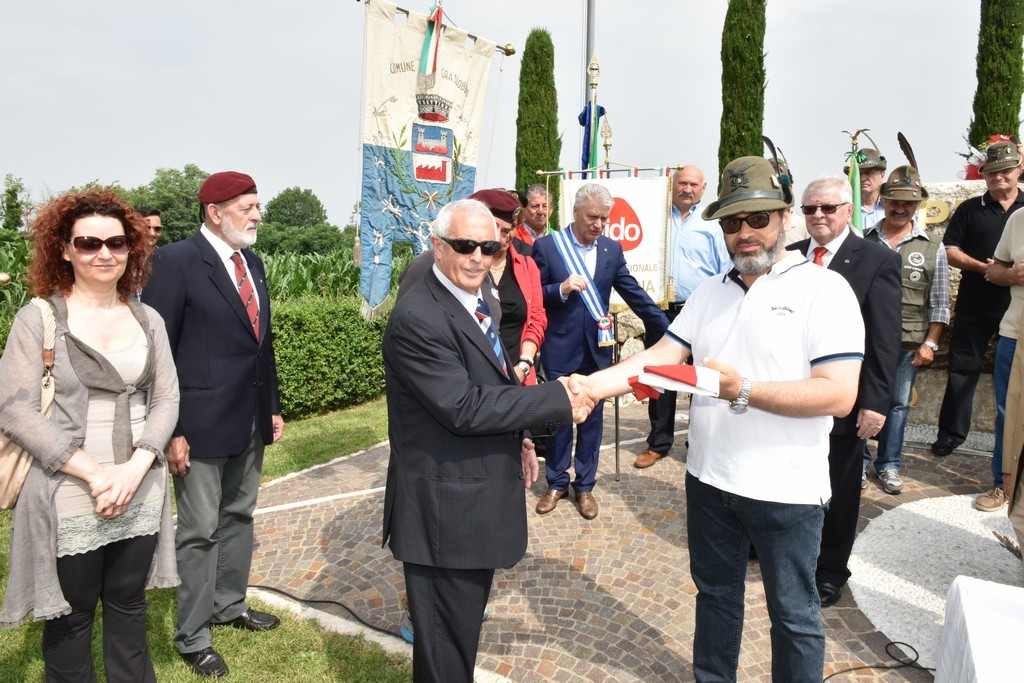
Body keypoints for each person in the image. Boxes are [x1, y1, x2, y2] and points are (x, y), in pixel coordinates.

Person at [578, 157, 864, 681]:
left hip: (787, 491)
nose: (744, 233)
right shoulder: (711, 291)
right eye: (732, 222)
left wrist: (744, 391)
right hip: (709, 481)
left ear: (783, 217)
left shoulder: (825, 290)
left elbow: (839, 395)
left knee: (795, 616)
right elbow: (663, 355)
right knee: (715, 598)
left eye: (757, 218)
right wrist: (588, 388)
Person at [381, 198, 594, 683]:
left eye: (488, 245)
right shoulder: (419, 317)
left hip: (472, 502)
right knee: (444, 656)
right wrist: (557, 398)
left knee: (458, 643)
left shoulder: (481, 297)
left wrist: (519, 436)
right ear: (437, 247)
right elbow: (464, 407)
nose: (478, 256)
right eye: (464, 246)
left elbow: (493, 383)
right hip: (443, 516)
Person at [0, 189, 179, 682]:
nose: (104, 254)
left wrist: (135, 468)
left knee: (127, 605)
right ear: (64, 249)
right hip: (69, 490)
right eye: (88, 243)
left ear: (132, 248)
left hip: (139, 485)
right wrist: (98, 475)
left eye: (117, 243)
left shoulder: (149, 319)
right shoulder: (39, 318)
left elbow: (166, 401)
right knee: (71, 618)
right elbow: (14, 411)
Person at [142, 171, 285, 677]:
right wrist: (171, 429)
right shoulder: (175, 262)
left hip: (249, 419)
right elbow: (157, 354)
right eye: (248, 207)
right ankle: (193, 635)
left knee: (239, 516)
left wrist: (271, 404)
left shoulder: (254, 262)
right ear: (215, 211)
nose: (256, 216)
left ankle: (230, 605)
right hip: (197, 426)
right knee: (200, 530)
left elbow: (260, 344)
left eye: (256, 206)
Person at [787, 176, 902, 607]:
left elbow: (885, 339)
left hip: (845, 399)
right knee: (790, 476)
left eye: (827, 208)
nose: (817, 216)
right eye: (809, 209)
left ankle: (831, 568)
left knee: (839, 486)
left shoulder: (876, 259)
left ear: (848, 209)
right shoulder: (792, 257)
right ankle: (778, 546)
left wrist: (875, 403)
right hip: (790, 396)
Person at [532, 183, 668, 519]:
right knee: (560, 417)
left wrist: (668, 328)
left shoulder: (611, 249)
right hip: (560, 347)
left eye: (604, 219)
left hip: (597, 350)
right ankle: (556, 482)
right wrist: (560, 289)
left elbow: (632, 292)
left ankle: (585, 487)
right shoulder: (548, 247)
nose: (599, 224)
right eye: (593, 216)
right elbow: (534, 296)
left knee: (592, 420)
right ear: (576, 211)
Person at [634, 165, 730, 469]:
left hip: (701, 308)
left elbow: (724, 269)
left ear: (703, 189)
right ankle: (658, 443)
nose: (686, 188)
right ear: (673, 185)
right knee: (660, 377)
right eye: (682, 183)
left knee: (702, 379)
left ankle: (699, 442)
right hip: (661, 309)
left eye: (693, 184)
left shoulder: (713, 224)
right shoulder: (656, 219)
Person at [932, 141, 1024, 456]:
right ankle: (950, 435)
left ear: (1019, 169)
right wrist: (985, 268)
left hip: (1018, 308)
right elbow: (950, 249)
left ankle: (1014, 442)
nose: (999, 178)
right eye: (992, 173)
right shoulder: (970, 209)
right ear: (984, 175)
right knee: (962, 370)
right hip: (976, 303)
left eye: (1005, 171)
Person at [863, 166, 950, 495]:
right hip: (866, 339)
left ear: (917, 206)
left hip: (907, 341)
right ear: (883, 200)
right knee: (861, 400)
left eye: (908, 203)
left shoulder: (933, 247)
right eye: (894, 201)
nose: (900, 208)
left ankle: (888, 464)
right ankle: (858, 462)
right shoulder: (864, 240)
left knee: (897, 404)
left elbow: (940, 301)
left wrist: (930, 342)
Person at [470, 189, 547, 385]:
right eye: (498, 229)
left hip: (518, 378)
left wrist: (524, 364)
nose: (505, 236)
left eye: (510, 228)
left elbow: (537, 319)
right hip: (475, 378)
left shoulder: (527, 266)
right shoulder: (467, 267)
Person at [981, 175, 1024, 513]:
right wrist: (1012, 276)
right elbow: (995, 271)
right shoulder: (1018, 219)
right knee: (1007, 415)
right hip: (1014, 334)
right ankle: (1002, 486)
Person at [843, 147, 887, 230]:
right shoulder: (844, 209)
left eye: (868, 173)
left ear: (882, 175)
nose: (862, 178)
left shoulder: (891, 207)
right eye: (858, 174)